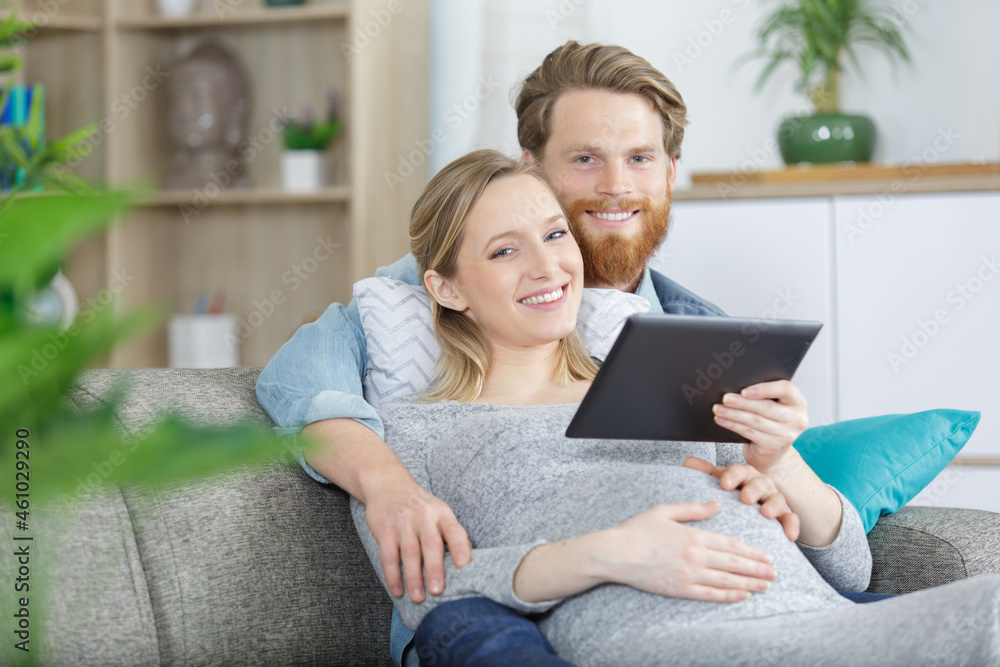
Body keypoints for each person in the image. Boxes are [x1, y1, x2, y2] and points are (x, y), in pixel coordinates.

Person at [256, 41, 880, 666]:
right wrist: (386, 484)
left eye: (640, 157)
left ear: (669, 171)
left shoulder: (700, 341)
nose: (616, 186)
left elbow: (842, 559)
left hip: (757, 607)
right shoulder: (411, 307)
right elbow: (299, 381)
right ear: (533, 168)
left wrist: (772, 471)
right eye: (585, 159)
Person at [350, 148, 1000, 667]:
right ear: (446, 287)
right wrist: (606, 553)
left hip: (814, 611)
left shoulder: (671, 376)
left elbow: (851, 567)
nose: (548, 266)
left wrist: (779, 466)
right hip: (668, 632)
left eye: (555, 234)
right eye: (504, 249)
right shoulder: (413, 433)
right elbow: (429, 595)